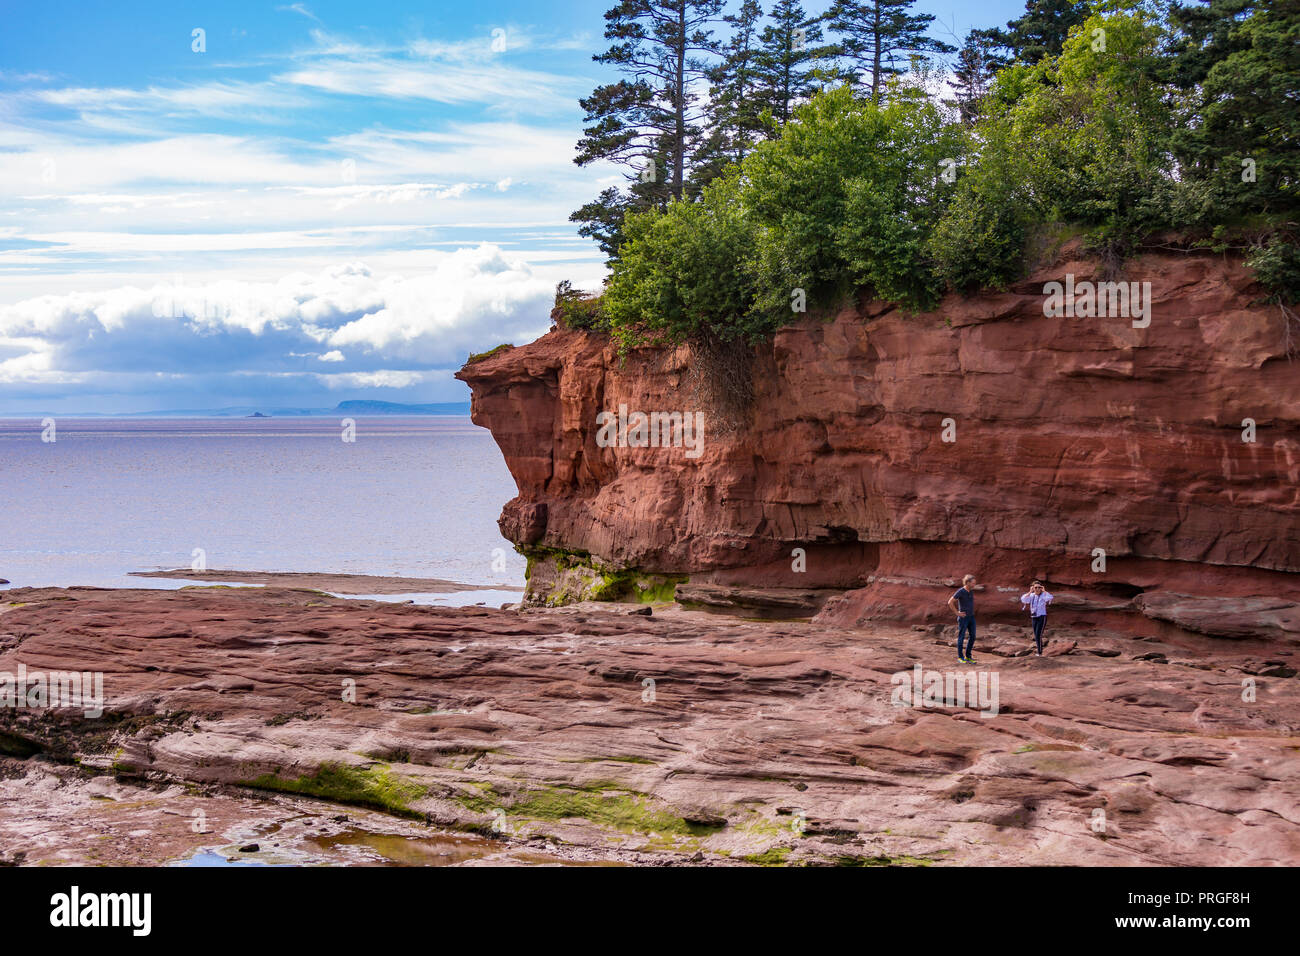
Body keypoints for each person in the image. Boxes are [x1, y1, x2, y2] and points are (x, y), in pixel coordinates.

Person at [947, 574, 978, 664]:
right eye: (973, 583)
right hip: (963, 618)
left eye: (975, 583)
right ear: (967, 582)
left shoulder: (971, 591)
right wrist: (957, 613)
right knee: (961, 637)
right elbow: (950, 602)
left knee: (973, 636)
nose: (974, 585)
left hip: (971, 617)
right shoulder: (961, 591)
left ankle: (968, 656)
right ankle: (960, 657)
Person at [1021, 581, 1054, 655]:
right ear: (1033, 588)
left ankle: (1039, 652)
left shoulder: (1043, 595)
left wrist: (1044, 591)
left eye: (1039, 587)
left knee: (1038, 634)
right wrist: (1030, 591)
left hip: (1042, 617)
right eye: (1036, 587)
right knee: (1036, 635)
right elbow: (1023, 599)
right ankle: (1039, 651)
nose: (1037, 589)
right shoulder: (1031, 595)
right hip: (1034, 617)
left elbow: (1050, 597)